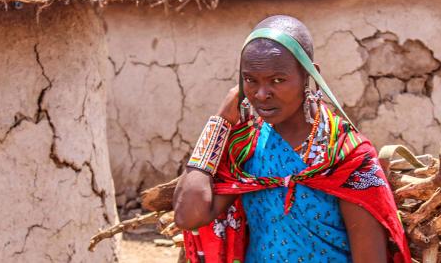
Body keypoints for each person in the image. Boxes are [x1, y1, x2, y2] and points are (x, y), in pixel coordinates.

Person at [173, 15, 410, 263]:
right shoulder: (245, 146)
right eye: (250, 80)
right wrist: (219, 123)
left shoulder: (344, 155)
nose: (262, 94)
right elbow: (189, 216)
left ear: (310, 75)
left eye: (278, 80)